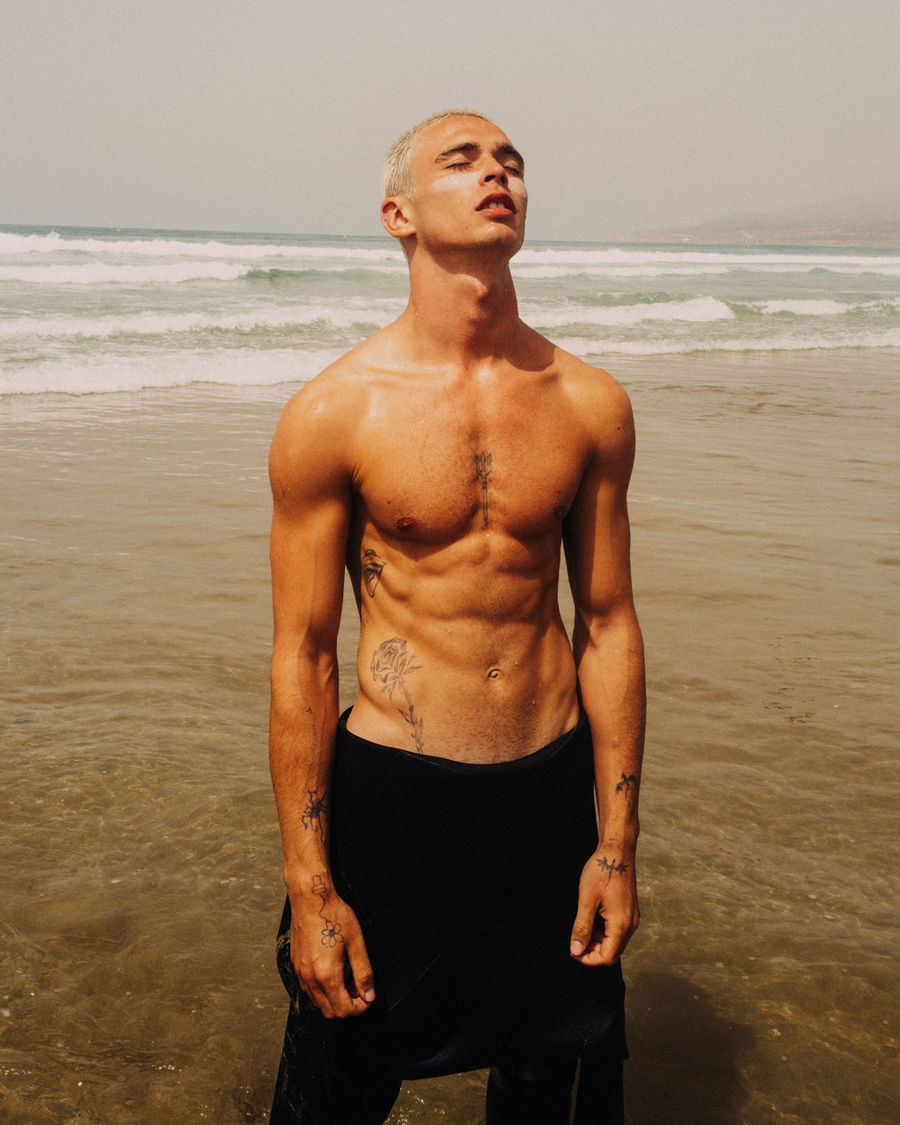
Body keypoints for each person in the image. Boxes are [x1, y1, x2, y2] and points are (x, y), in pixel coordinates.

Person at [267, 109, 645, 1125]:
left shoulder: (589, 402)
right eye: (464, 159)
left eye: (511, 162)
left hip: (546, 799)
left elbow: (609, 624)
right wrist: (311, 886)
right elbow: (304, 657)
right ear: (398, 213)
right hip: (397, 805)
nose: (498, 175)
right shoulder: (334, 412)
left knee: (550, 1093)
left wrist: (615, 845)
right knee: (332, 1094)